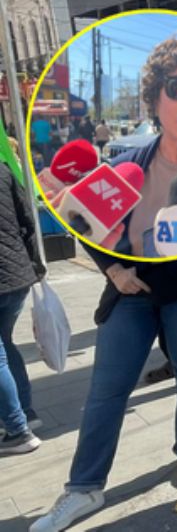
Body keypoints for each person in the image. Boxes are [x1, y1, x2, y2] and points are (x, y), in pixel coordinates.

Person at [30, 30, 177, 532]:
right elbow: (83, 222)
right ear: (155, 95)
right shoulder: (125, 165)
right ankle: (83, 489)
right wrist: (114, 267)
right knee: (107, 389)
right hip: (132, 291)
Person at [0, 161, 45, 455]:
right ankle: (26, 411)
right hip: (17, 276)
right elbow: (27, 220)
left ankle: (17, 430)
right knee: (5, 342)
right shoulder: (3, 169)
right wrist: (33, 265)